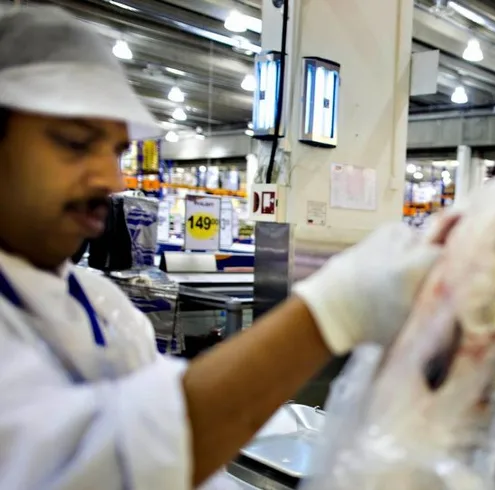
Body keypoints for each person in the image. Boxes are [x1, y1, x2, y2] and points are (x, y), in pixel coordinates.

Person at [0, 5, 450, 489]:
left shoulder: (99, 306)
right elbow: (104, 464)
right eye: (74, 143)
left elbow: (172, 432)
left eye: (116, 152)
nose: (112, 180)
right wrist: (330, 311)